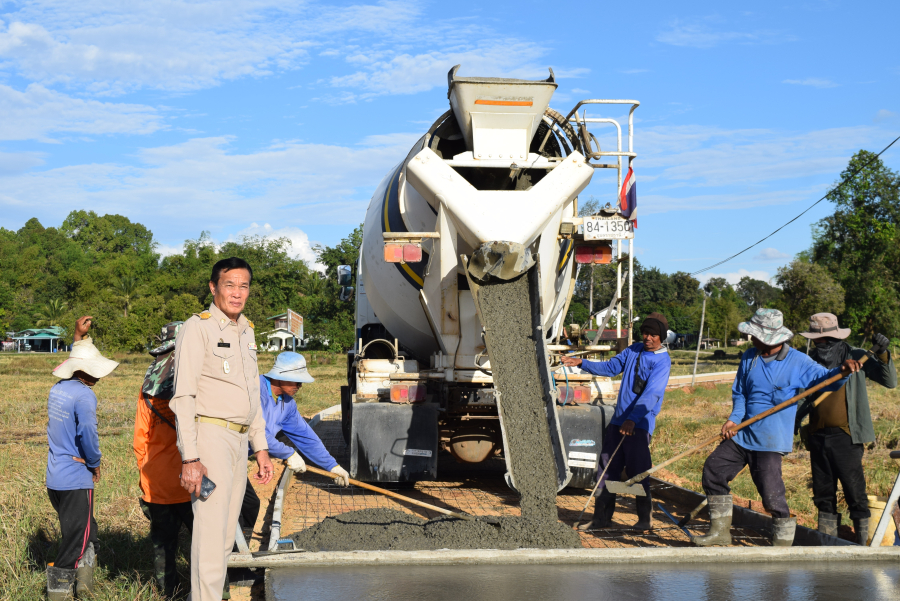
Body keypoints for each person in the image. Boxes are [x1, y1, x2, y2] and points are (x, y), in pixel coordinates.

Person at [693, 308, 862, 548]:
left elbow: (826, 380)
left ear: (770, 338)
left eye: (755, 334)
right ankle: (719, 532)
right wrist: (734, 419)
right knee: (714, 469)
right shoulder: (749, 357)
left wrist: (842, 372)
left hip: (770, 439)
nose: (751, 338)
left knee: (772, 497)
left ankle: (781, 544)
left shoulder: (797, 361)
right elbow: (740, 393)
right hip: (743, 434)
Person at [170, 257, 275, 601]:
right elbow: (183, 396)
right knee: (210, 535)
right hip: (211, 438)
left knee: (226, 534)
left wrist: (261, 446)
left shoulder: (247, 331)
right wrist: (191, 457)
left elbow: (252, 394)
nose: (237, 293)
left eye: (244, 286)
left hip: (240, 440)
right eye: (230, 285)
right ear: (213, 287)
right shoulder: (198, 327)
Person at [561, 312, 672, 532]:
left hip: (639, 424)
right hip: (619, 421)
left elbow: (651, 394)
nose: (648, 338)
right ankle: (601, 518)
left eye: (653, 335)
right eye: (645, 333)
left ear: (662, 337)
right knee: (607, 467)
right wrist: (582, 362)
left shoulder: (662, 361)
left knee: (637, 471)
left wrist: (632, 419)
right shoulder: (633, 350)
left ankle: (644, 518)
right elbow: (610, 368)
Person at [795, 313, 895, 543]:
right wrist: (795, 420)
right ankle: (827, 543)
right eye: (817, 340)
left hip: (847, 436)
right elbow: (800, 395)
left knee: (855, 493)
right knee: (823, 494)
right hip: (817, 435)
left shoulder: (858, 357)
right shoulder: (809, 360)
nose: (821, 344)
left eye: (824, 340)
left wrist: (882, 352)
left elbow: (890, 382)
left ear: (835, 338)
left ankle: (861, 544)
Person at [238, 352, 350, 544]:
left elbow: (306, 437)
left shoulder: (287, 403)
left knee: (249, 506)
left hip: (239, 459)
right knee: (239, 507)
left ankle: (239, 550)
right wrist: (288, 453)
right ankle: (233, 552)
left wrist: (332, 466)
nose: (300, 386)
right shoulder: (256, 391)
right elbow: (257, 432)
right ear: (280, 376)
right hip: (225, 453)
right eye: (296, 381)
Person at [45, 316, 119, 600]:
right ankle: (58, 592)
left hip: (55, 477)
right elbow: (88, 433)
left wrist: (78, 335)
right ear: (86, 372)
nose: (99, 377)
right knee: (76, 542)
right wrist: (95, 462)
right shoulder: (85, 397)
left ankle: (84, 587)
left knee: (88, 530)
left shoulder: (58, 390)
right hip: (76, 479)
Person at [133, 321, 196, 598]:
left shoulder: (148, 388)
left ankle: (168, 593)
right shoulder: (196, 382)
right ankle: (212, 591)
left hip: (157, 480)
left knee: (163, 545)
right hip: (193, 477)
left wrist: (147, 477)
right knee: (204, 542)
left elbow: (140, 440)